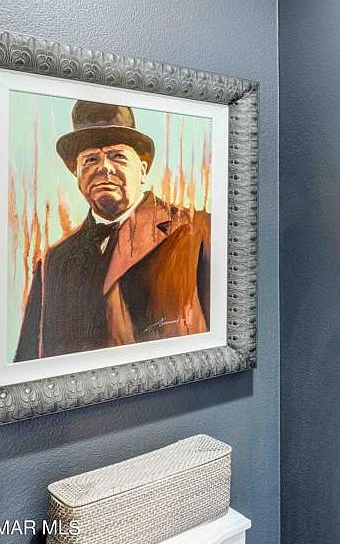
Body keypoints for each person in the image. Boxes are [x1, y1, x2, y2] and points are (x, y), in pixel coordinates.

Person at [14, 100, 211, 361]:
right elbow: (28, 360)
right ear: (77, 175)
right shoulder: (53, 261)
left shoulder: (196, 231)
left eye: (117, 156)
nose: (104, 167)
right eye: (90, 159)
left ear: (142, 171)